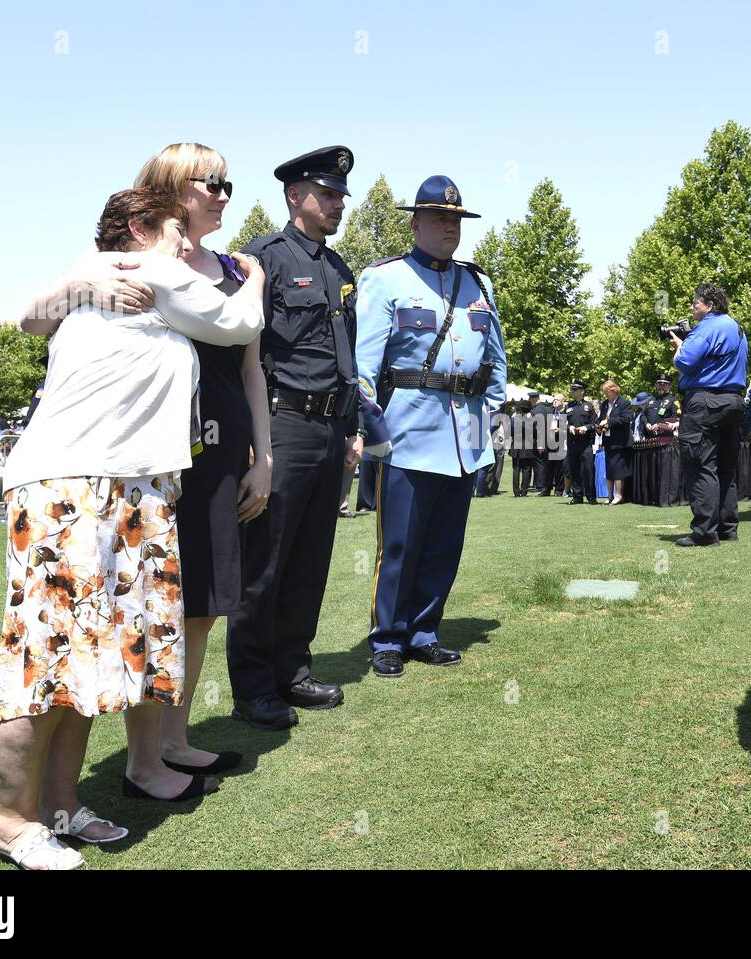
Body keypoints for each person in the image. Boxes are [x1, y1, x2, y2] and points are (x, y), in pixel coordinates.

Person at [0, 187, 263, 869]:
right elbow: (239, 322)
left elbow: (30, 315)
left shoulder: (114, 275)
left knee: (85, 657)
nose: (186, 243)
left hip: (123, 486)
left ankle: (60, 807)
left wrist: (75, 285)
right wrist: (253, 273)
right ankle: (13, 821)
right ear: (141, 229)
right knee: (44, 662)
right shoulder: (150, 269)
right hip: (76, 485)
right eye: (176, 229)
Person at [130, 143, 269, 778]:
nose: (221, 193)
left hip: (221, 458)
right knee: (158, 601)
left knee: (204, 605)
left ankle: (175, 740)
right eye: (208, 182)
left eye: (227, 184)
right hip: (161, 454)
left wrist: (262, 457)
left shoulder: (236, 272)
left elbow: (251, 370)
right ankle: (144, 752)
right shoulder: (137, 263)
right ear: (168, 188)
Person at [227, 146, 362, 729]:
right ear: (294, 195)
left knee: (310, 558)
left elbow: (344, 356)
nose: (337, 205)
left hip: (331, 425)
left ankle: (292, 668)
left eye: (339, 197)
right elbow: (242, 352)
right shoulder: (262, 259)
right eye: (327, 194)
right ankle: (253, 685)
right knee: (266, 560)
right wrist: (257, 443)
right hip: (281, 424)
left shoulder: (339, 270)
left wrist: (352, 428)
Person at [355, 174, 507, 678]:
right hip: (406, 435)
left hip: (463, 438)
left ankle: (424, 632)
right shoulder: (385, 278)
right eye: (440, 218)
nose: (450, 227)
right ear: (415, 224)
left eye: (456, 219)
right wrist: (372, 431)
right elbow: (364, 367)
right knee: (399, 543)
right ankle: (388, 638)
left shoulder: (476, 283)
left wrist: (492, 416)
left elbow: (496, 362)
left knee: (445, 542)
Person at [670, 282, 748, 546]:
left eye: (696, 303)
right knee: (726, 467)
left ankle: (704, 533)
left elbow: (684, 363)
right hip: (734, 401)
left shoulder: (706, 327)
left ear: (710, 305)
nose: (692, 307)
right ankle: (728, 529)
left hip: (705, 402)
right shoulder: (736, 327)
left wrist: (680, 348)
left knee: (700, 464)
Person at [597, 380, 633, 505]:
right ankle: (609, 495)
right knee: (609, 468)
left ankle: (619, 495)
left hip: (620, 441)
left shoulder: (624, 403)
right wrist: (598, 426)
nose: (606, 395)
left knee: (617, 468)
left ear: (613, 390)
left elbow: (626, 419)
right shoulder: (605, 404)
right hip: (608, 440)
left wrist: (609, 422)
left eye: (607, 392)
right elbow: (600, 418)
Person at [563, 380, 598, 505]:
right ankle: (577, 496)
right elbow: (562, 423)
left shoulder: (589, 406)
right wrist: (569, 427)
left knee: (588, 470)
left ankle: (591, 496)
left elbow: (595, 423)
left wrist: (586, 428)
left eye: (574, 390)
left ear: (581, 391)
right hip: (572, 443)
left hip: (585, 444)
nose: (571, 392)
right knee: (574, 470)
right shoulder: (568, 406)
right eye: (571, 390)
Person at [643, 374, 679, 439]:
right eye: (659, 384)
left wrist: (660, 425)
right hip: (649, 439)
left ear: (669, 386)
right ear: (656, 385)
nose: (661, 387)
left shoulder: (673, 401)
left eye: (664, 385)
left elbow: (675, 420)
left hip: (665, 439)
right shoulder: (650, 400)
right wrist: (646, 423)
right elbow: (643, 415)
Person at [511, 400, 535, 496]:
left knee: (516, 469)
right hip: (527, 446)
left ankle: (516, 492)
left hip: (516, 445)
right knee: (526, 470)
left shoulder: (514, 418)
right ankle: (524, 491)